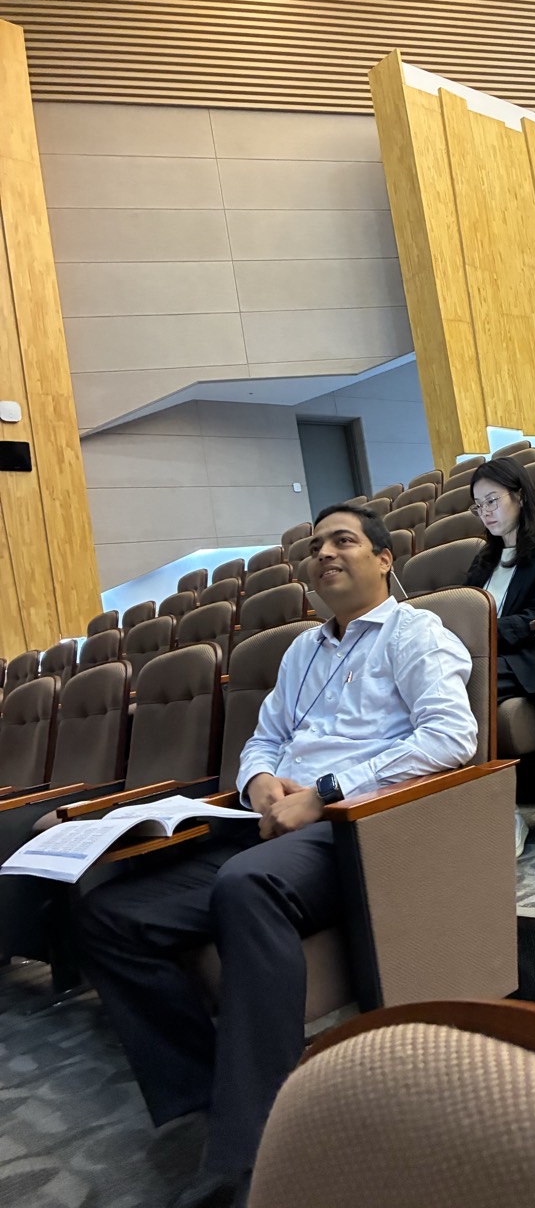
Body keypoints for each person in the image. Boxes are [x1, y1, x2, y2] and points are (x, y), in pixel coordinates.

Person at [75, 505, 478, 1208]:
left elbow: (450, 738)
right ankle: (205, 1094)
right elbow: (263, 740)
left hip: (357, 824)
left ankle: (251, 1153)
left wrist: (323, 795)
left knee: (246, 885)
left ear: (384, 558)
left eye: (343, 541)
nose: (325, 553)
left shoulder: (416, 633)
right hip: (269, 821)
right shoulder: (302, 652)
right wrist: (260, 781)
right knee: (109, 912)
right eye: (315, 545)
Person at [464, 457, 535, 857]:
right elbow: (466, 608)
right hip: (484, 657)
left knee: (465, 688)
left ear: (520, 496)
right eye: (478, 506)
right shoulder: (484, 560)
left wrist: (484, 633)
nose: (486, 512)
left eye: (492, 501)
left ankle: (503, 810)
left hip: (529, 660)